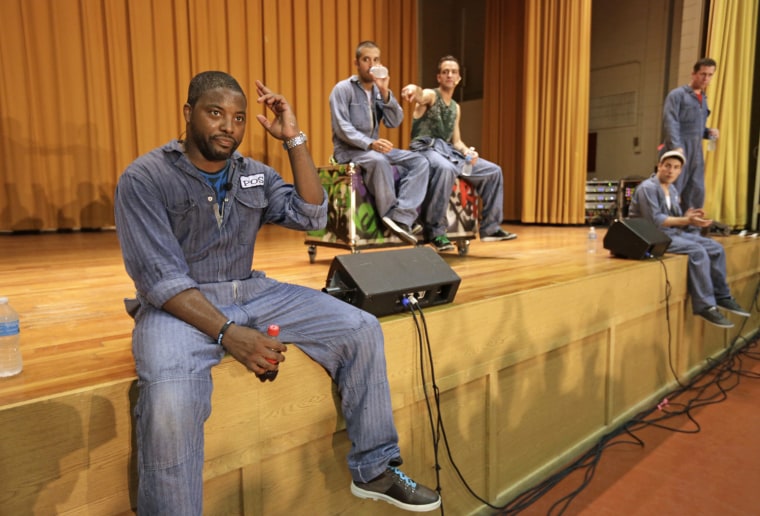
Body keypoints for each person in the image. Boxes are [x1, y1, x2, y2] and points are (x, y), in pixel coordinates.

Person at [114, 71, 441, 514]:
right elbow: (159, 281)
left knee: (361, 328)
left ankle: (375, 469)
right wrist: (230, 333)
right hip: (179, 307)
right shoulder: (145, 177)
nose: (229, 126)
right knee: (170, 403)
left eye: (239, 117)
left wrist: (294, 140)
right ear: (188, 114)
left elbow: (311, 214)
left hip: (251, 289)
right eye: (216, 113)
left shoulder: (253, 174)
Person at [401, 55, 516, 252]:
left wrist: (467, 151)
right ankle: (436, 232)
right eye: (445, 72)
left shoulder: (456, 108)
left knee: (493, 171)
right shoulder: (431, 95)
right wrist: (413, 89)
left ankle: (490, 227)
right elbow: (421, 94)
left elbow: (456, 141)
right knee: (446, 169)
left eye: (453, 72)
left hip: (448, 150)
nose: (449, 75)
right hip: (425, 148)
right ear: (439, 77)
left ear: (459, 78)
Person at [629, 149, 748, 328]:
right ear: (659, 166)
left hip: (669, 233)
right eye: (667, 166)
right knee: (697, 251)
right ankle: (705, 305)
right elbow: (655, 221)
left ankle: (722, 296)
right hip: (650, 236)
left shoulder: (673, 190)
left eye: (676, 167)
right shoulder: (648, 188)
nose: (671, 171)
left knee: (716, 248)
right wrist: (686, 220)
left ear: (680, 171)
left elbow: (675, 220)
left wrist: (689, 217)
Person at [329, 40, 429, 245]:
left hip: (373, 149)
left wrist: (385, 93)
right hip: (349, 150)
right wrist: (370, 143)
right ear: (356, 63)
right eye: (366, 59)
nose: (371, 64)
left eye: (375, 60)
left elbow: (395, 121)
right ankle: (391, 217)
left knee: (420, 161)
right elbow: (342, 128)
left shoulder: (377, 91)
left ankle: (401, 217)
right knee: (379, 161)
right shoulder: (342, 89)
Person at [662, 57, 719, 212]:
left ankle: (690, 229)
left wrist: (708, 132)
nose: (706, 78)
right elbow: (671, 121)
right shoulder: (677, 95)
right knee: (673, 188)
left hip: (696, 151)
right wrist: (676, 148)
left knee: (696, 189)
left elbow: (696, 126)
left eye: (710, 75)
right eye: (703, 74)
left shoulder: (703, 98)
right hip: (679, 148)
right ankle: (668, 227)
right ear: (693, 74)